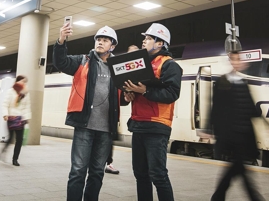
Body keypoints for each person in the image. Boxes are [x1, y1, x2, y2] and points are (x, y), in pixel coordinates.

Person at [54, 23, 121, 201]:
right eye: (98, 39)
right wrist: (61, 40)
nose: (100, 42)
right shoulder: (82, 61)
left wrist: (127, 98)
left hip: (106, 129)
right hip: (84, 125)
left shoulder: (118, 67)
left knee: (97, 172)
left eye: (105, 40)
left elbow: (120, 98)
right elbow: (61, 62)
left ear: (112, 46)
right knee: (78, 171)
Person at [123, 23, 182, 201]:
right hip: (138, 124)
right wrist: (129, 92)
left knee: (158, 174)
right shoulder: (140, 65)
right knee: (140, 174)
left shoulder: (169, 65)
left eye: (149, 38)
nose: (144, 41)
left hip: (157, 125)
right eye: (145, 38)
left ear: (160, 43)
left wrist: (145, 91)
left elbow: (172, 94)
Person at [209, 51, 264, 201]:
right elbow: (216, 108)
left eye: (240, 60)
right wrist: (212, 130)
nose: (239, 62)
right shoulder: (223, 82)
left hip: (244, 135)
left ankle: (217, 198)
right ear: (231, 62)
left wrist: (258, 112)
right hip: (230, 134)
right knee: (239, 169)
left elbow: (250, 108)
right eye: (235, 60)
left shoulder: (243, 82)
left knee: (238, 169)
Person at [105, 44, 138, 176]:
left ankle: (108, 163)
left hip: (112, 114)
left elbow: (122, 99)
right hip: (101, 112)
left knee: (108, 140)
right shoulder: (118, 68)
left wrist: (126, 97)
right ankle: (104, 163)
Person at [0, 75, 31, 166]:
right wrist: (5, 114)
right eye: (22, 81)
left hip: (21, 119)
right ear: (17, 82)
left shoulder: (25, 93)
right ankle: (3, 151)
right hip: (11, 118)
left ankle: (15, 159)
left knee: (19, 140)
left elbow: (27, 106)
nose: (24, 83)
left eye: (25, 82)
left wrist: (27, 117)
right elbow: (5, 104)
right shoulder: (10, 91)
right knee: (10, 139)